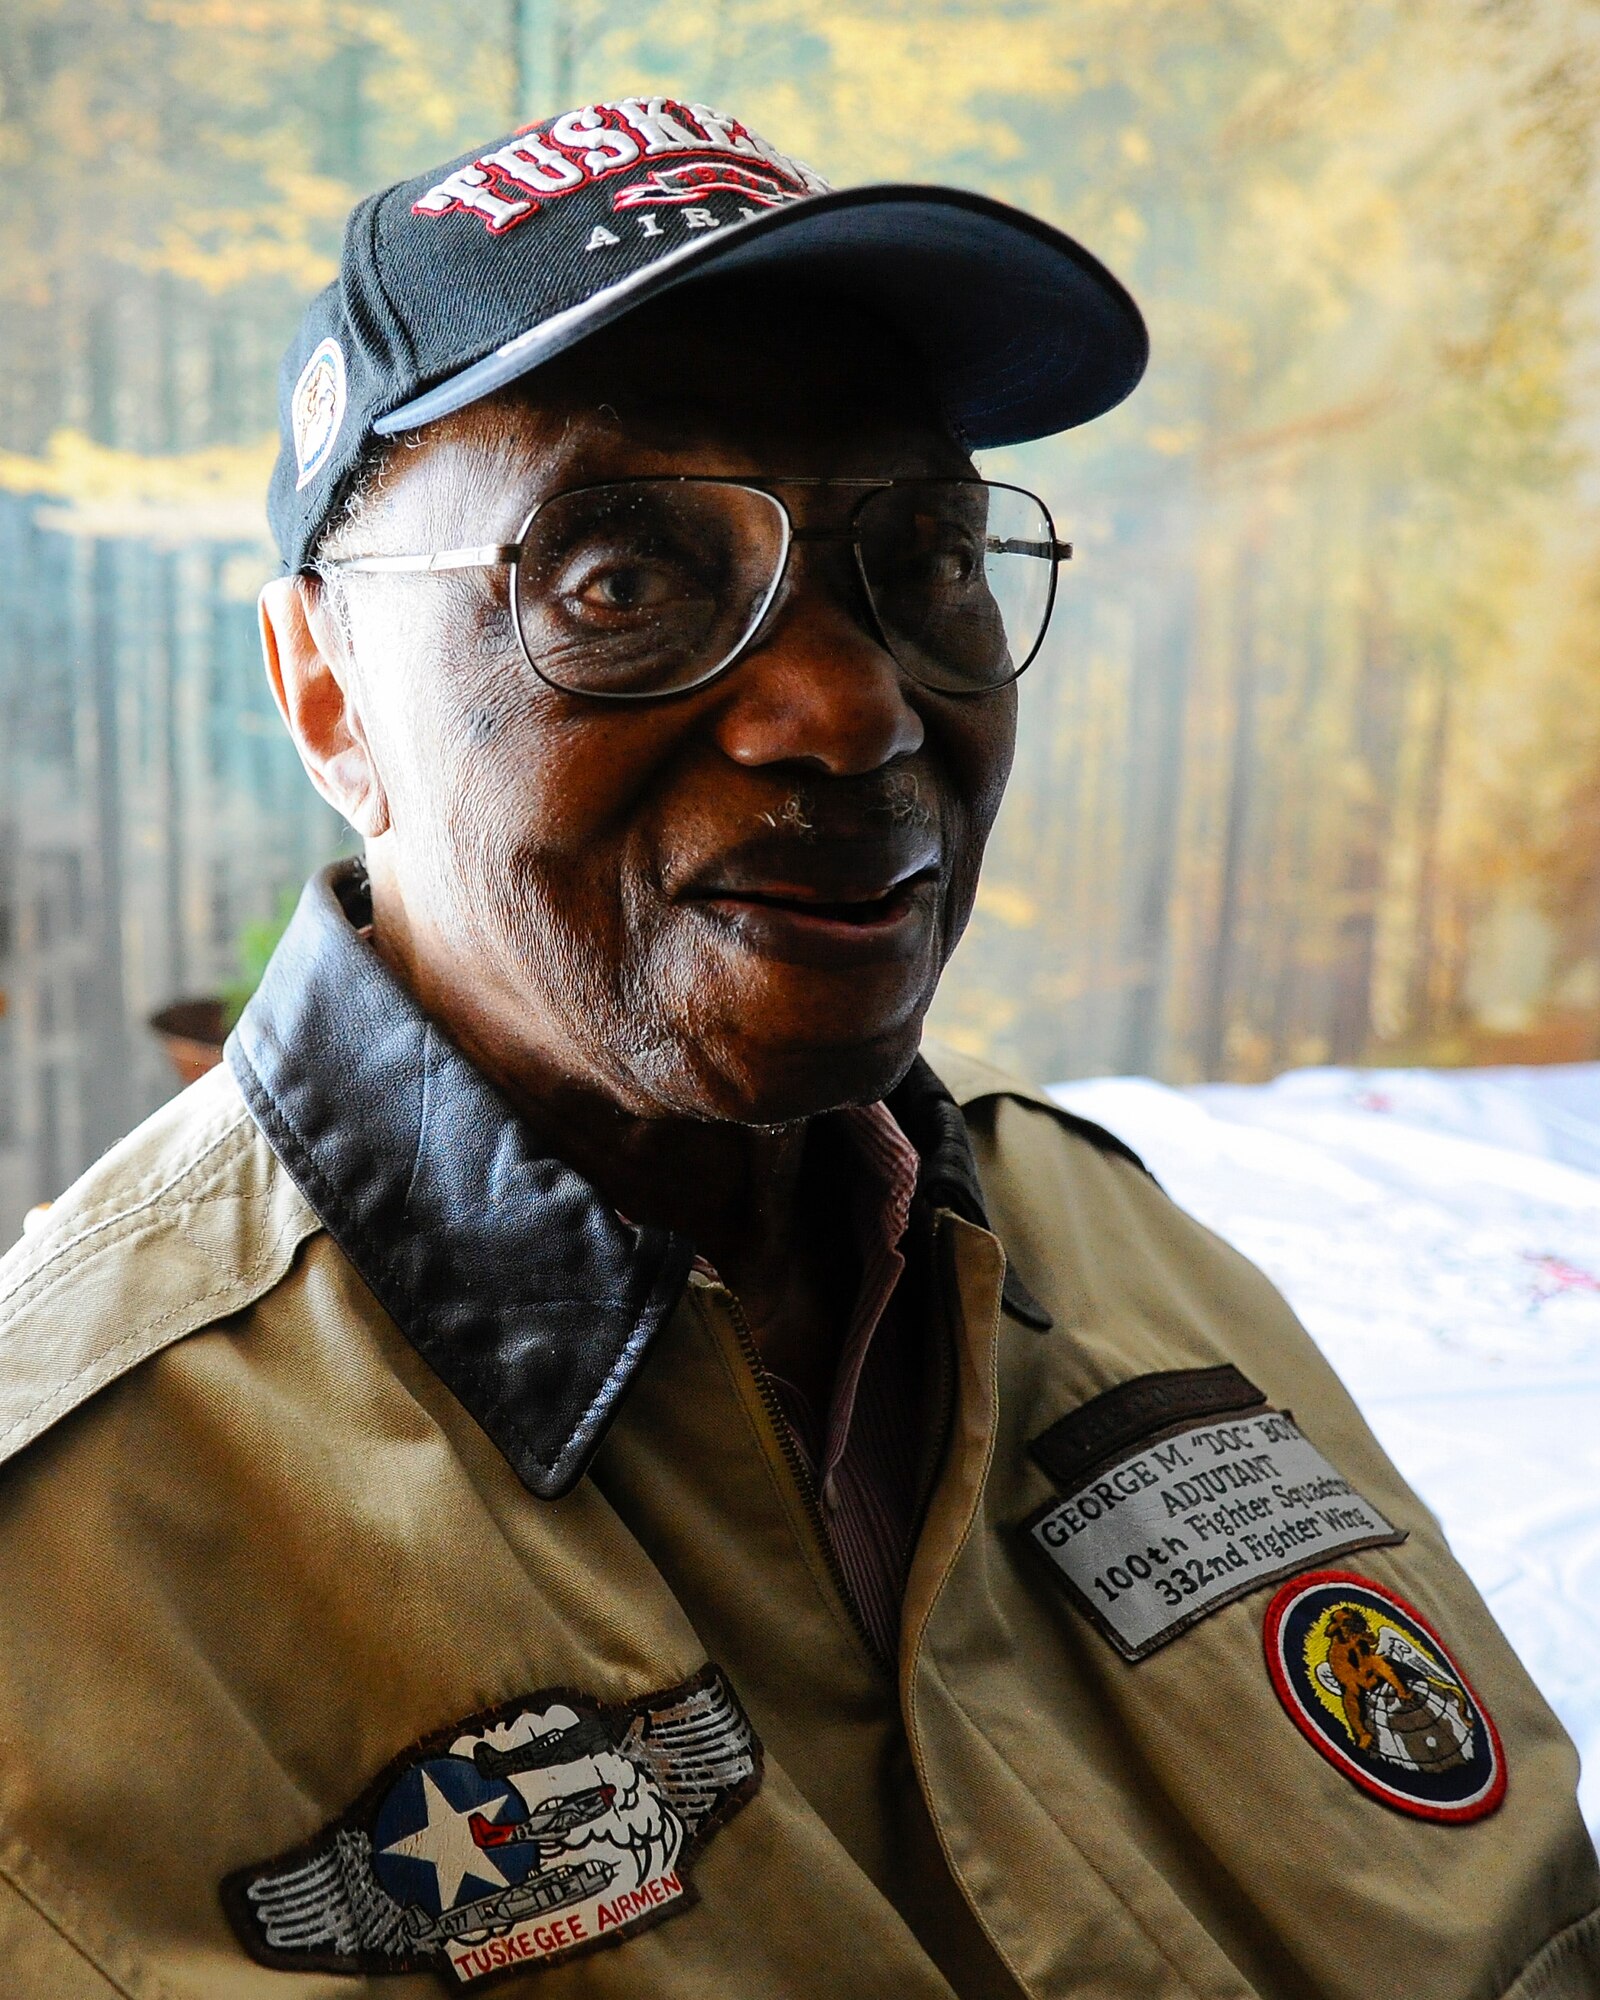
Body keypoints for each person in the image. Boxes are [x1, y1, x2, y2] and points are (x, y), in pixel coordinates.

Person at [0, 94, 1593, 2000]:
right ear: (329, 692)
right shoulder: (76, 1563)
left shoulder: (1116, 1251)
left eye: (920, 556)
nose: (850, 709)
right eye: (620, 581)